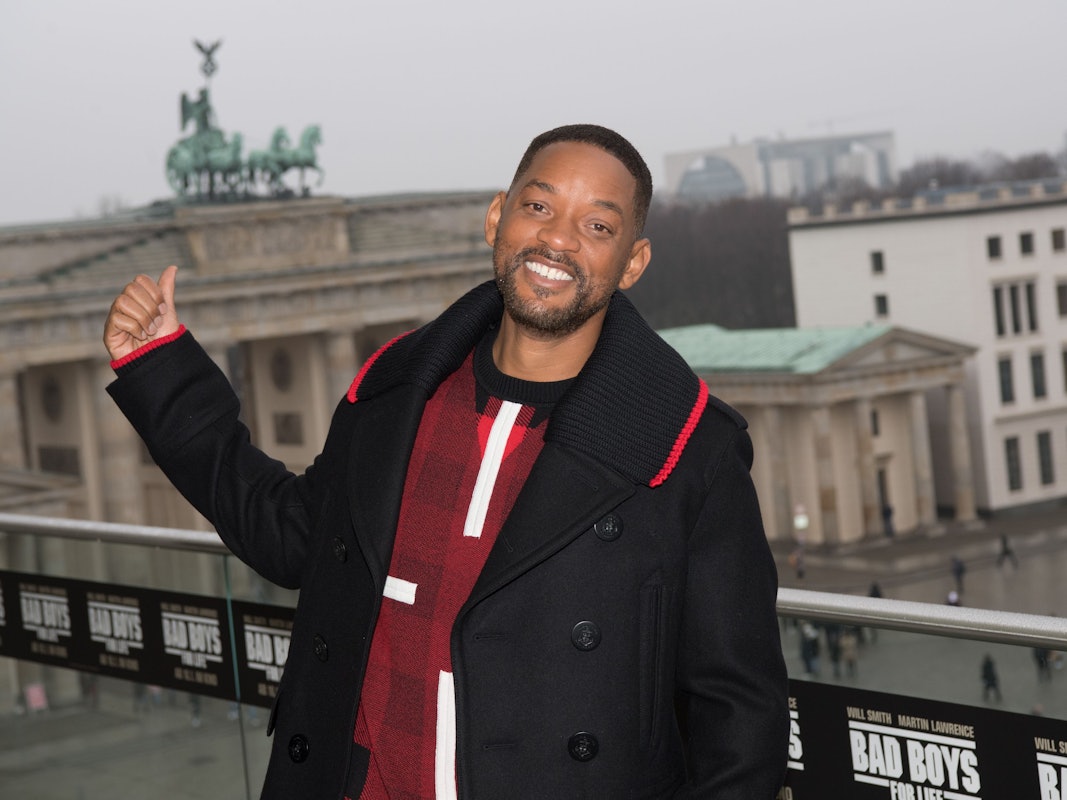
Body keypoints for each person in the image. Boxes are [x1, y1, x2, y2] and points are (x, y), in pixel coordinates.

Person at [102, 125, 789, 799]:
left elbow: (738, 713)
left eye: (597, 227)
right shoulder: (395, 394)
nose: (557, 239)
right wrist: (162, 370)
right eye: (538, 207)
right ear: (497, 217)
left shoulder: (686, 448)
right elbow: (291, 537)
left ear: (632, 262)